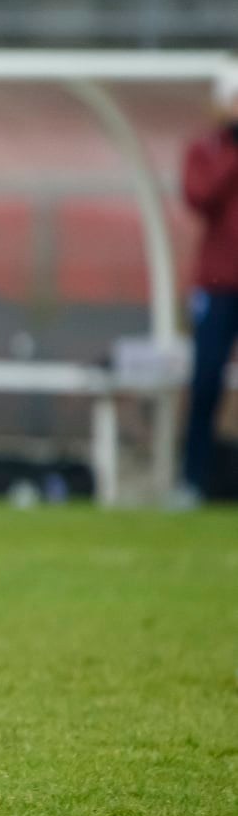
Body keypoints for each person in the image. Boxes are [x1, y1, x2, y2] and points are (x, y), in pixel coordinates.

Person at [176, 67, 238, 507]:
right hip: (218, 284)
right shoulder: (207, 149)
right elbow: (200, 196)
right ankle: (192, 480)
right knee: (205, 381)